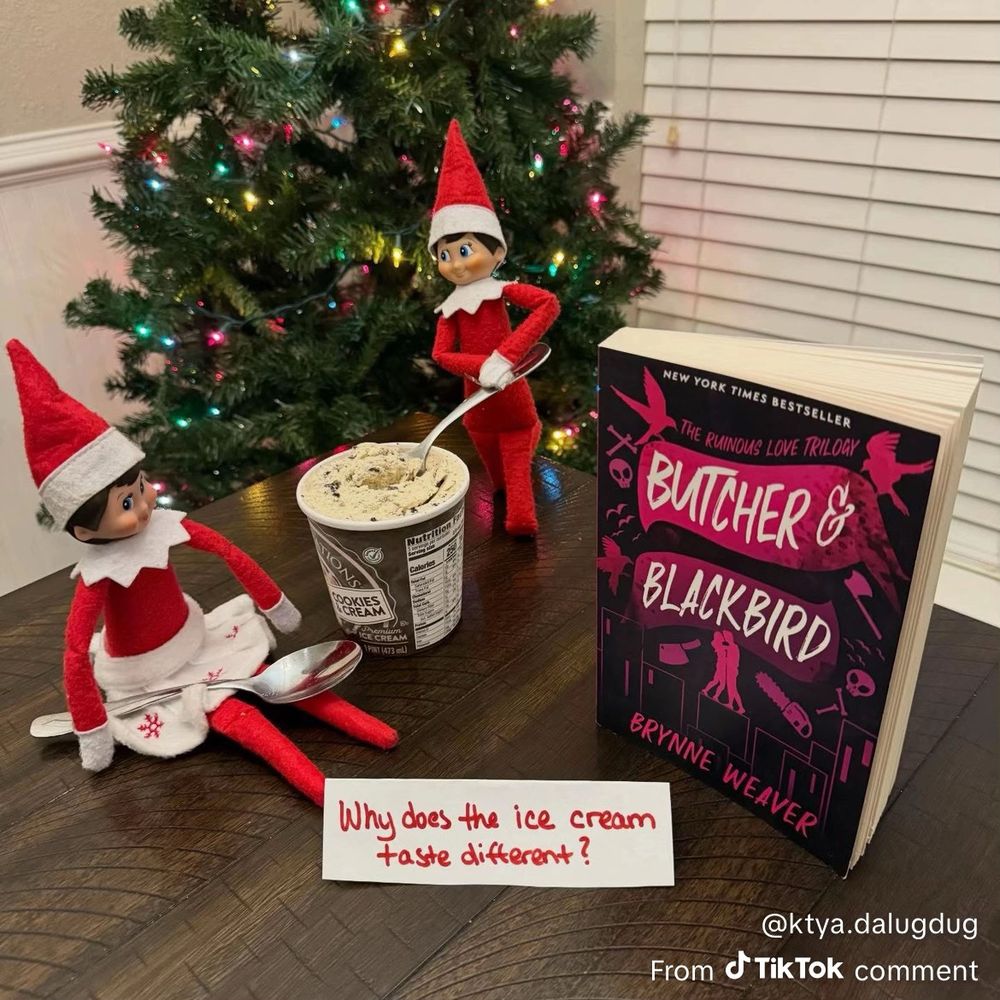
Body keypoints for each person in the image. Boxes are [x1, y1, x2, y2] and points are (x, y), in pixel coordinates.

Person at [6, 339, 397, 805]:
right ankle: (326, 794)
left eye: (141, 487)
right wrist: (93, 732)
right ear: (85, 531)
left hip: (199, 639)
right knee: (243, 722)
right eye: (126, 503)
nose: (145, 505)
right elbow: (74, 653)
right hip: (146, 678)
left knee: (286, 681)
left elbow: (229, 553)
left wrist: (277, 606)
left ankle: (374, 731)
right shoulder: (97, 576)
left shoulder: (165, 527)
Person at [429, 120, 559, 536]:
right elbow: (440, 354)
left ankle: (521, 517)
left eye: (464, 249)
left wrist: (506, 356)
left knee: (517, 453)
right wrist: (481, 365)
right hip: (475, 406)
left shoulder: (501, 290)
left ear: (495, 251)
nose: (456, 263)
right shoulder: (449, 308)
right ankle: (509, 502)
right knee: (495, 471)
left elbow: (547, 304)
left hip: (510, 394)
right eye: (445, 255)